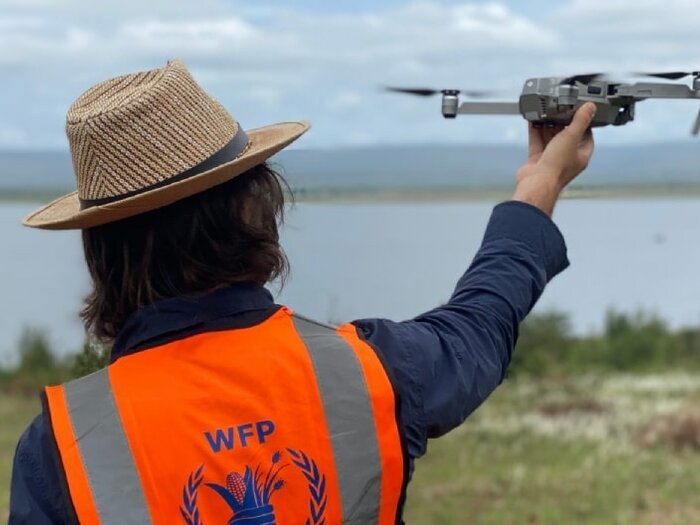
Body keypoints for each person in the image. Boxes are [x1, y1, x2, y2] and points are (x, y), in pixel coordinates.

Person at [9, 59, 596, 524]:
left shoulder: (61, 444)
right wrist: (539, 184)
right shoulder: (370, 370)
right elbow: (482, 323)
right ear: (252, 209)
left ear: (101, 253)